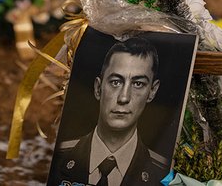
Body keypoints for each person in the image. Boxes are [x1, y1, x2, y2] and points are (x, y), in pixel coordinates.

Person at [51, 37, 170, 186]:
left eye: (138, 84)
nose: (124, 97)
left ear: (152, 91)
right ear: (98, 88)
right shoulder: (59, 158)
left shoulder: (162, 172)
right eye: (116, 82)